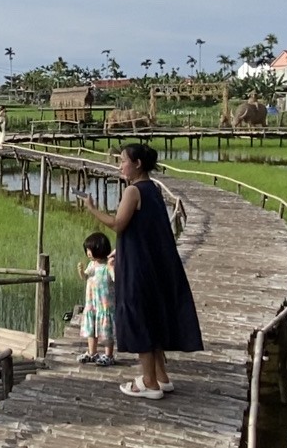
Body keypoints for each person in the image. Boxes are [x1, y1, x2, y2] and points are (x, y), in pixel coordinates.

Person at [80, 143, 203, 400]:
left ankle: (148, 383)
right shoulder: (153, 189)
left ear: (137, 164)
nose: (119, 165)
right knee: (152, 316)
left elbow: (118, 224)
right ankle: (161, 377)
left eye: (123, 161)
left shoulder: (133, 191)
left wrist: (92, 209)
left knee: (139, 317)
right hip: (152, 263)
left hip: (138, 267)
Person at [76, 231, 116, 366]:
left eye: (89, 250)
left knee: (106, 331)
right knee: (91, 330)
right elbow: (85, 277)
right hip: (91, 304)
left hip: (105, 305)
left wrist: (112, 266)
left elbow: (117, 279)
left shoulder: (108, 266)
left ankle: (109, 355)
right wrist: (81, 271)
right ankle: (92, 353)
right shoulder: (91, 265)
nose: (87, 253)